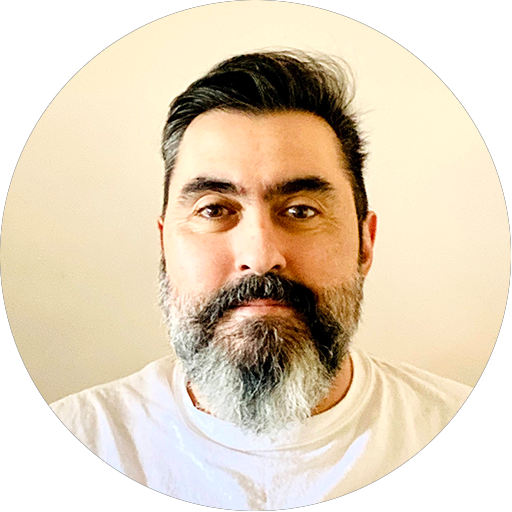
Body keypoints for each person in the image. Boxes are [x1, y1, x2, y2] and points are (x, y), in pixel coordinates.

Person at [51, 50, 471, 509]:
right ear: (164, 247)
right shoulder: (68, 447)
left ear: (364, 244)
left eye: (301, 211)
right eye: (214, 209)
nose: (260, 257)